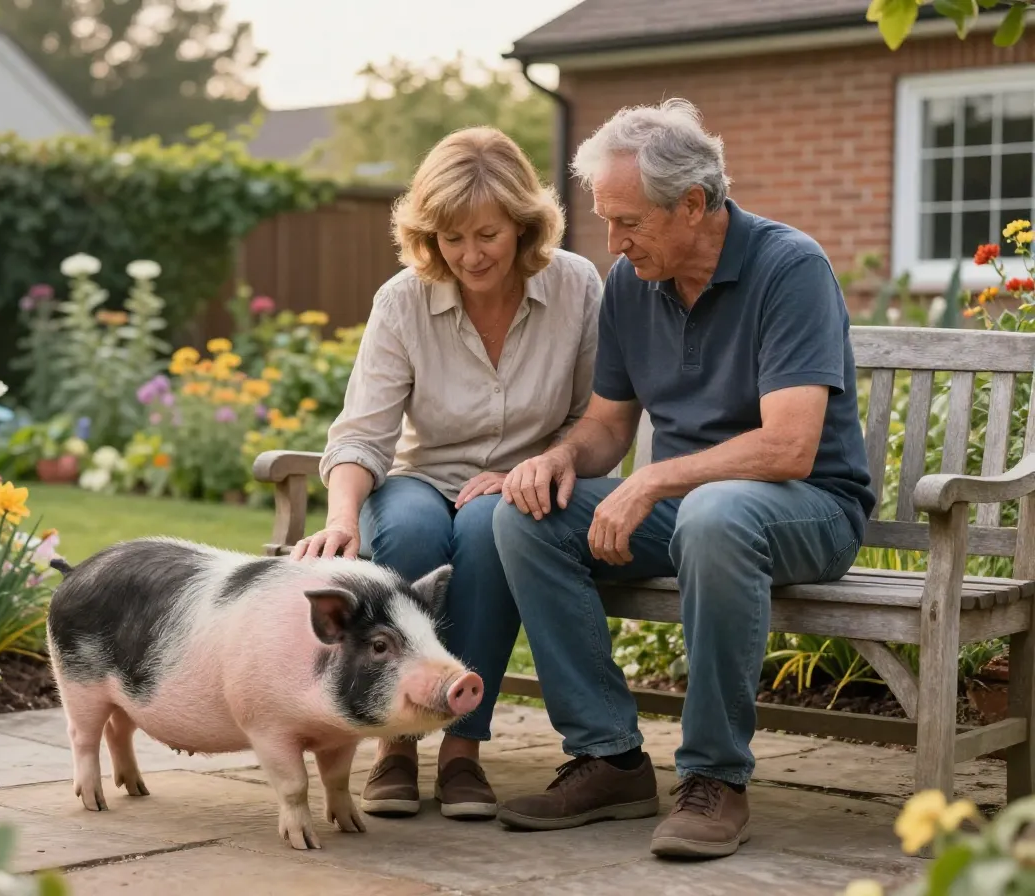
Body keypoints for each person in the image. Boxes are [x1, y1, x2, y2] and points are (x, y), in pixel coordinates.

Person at [491, 99, 875, 859]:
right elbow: (608, 425)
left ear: (693, 204)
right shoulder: (633, 282)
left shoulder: (789, 267)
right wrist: (560, 457)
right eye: (607, 221)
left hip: (809, 510)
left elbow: (790, 447)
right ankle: (609, 758)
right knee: (525, 518)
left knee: (716, 515)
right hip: (691, 509)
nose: (614, 242)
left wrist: (652, 481)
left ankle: (715, 778)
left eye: (629, 221)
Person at [290, 125, 603, 822]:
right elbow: (363, 433)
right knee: (408, 529)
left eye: (487, 235)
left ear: (523, 224)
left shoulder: (577, 286)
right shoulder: (403, 300)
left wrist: (532, 469)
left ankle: (463, 747)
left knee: (493, 527)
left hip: (525, 484)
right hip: (421, 476)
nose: (469, 255)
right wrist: (342, 518)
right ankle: (396, 741)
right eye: (451, 238)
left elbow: (594, 419)